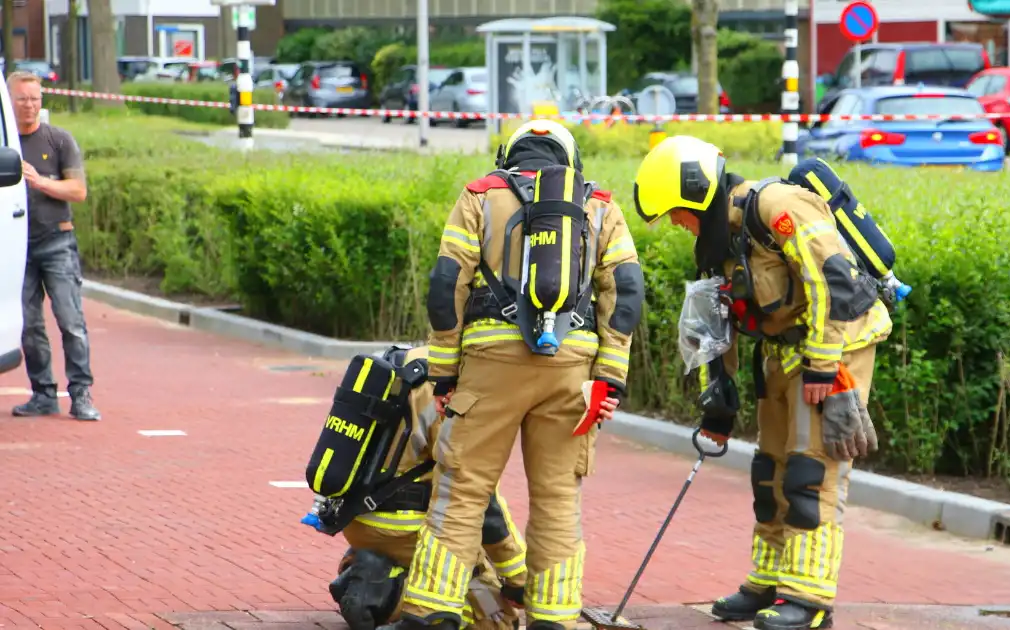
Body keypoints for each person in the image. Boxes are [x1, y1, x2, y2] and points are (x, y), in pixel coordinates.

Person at [391, 119, 646, 630]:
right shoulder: (600, 205)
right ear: (569, 160)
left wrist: (443, 374)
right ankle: (554, 617)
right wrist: (610, 376)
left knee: (461, 487)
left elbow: (447, 286)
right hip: (572, 371)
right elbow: (626, 291)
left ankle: (432, 611)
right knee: (557, 496)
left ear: (509, 156)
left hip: (491, 366)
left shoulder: (480, 195)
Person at [631, 137, 893, 630]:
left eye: (675, 213)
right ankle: (769, 582)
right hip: (783, 353)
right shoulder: (717, 243)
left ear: (696, 193)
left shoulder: (777, 208)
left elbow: (829, 280)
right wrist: (719, 401)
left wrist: (821, 365)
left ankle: (809, 599)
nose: (675, 224)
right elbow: (718, 324)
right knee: (769, 471)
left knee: (811, 470)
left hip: (837, 346)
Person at [329, 344, 526, 630]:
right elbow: (480, 501)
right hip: (408, 527)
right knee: (497, 618)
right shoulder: (455, 389)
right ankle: (384, 593)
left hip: (359, 519)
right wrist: (518, 579)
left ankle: (367, 566)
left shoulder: (409, 361)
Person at [6, 71, 100, 421]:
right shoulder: (6, 144)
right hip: (18, 246)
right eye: (21, 99)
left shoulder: (58, 140)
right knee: (29, 323)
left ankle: (81, 393)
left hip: (57, 241)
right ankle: (43, 392)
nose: (29, 106)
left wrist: (40, 181)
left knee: (70, 319)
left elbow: (78, 191)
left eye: (34, 99)